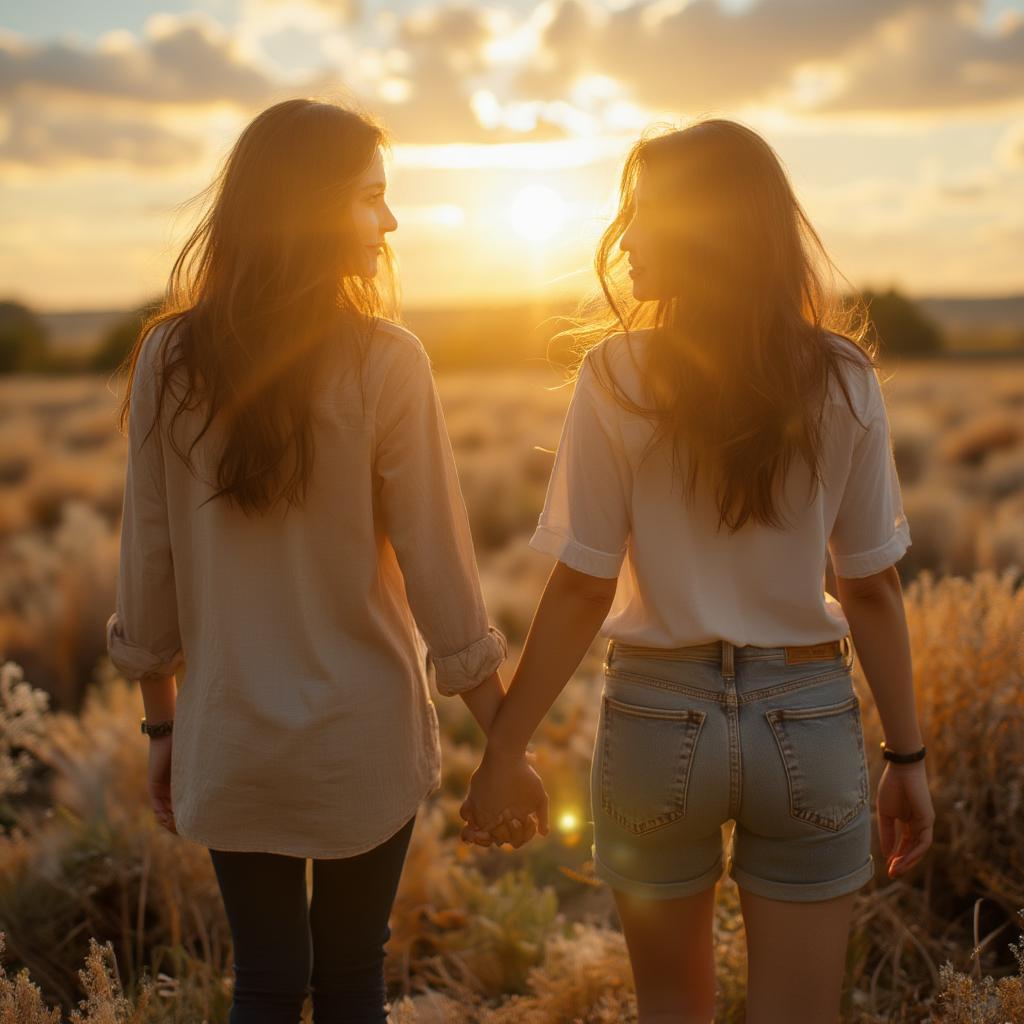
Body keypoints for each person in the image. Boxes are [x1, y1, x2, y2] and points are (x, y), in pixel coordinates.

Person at [460, 118, 935, 1024]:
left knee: (671, 1010)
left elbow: (581, 586)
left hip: (655, 720)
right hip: (807, 717)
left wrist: (504, 745)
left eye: (643, 214)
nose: (626, 237)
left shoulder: (618, 376)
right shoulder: (842, 378)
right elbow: (869, 584)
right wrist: (906, 757)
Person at [104, 97, 539, 1024]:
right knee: (350, 977)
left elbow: (149, 565)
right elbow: (443, 576)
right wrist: (503, 740)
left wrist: (162, 728)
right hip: (362, 741)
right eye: (370, 198)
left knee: (265, 978)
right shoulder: (387, 361)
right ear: (309, 209)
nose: (390, 221)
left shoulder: (167, 359)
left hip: (232, 736)